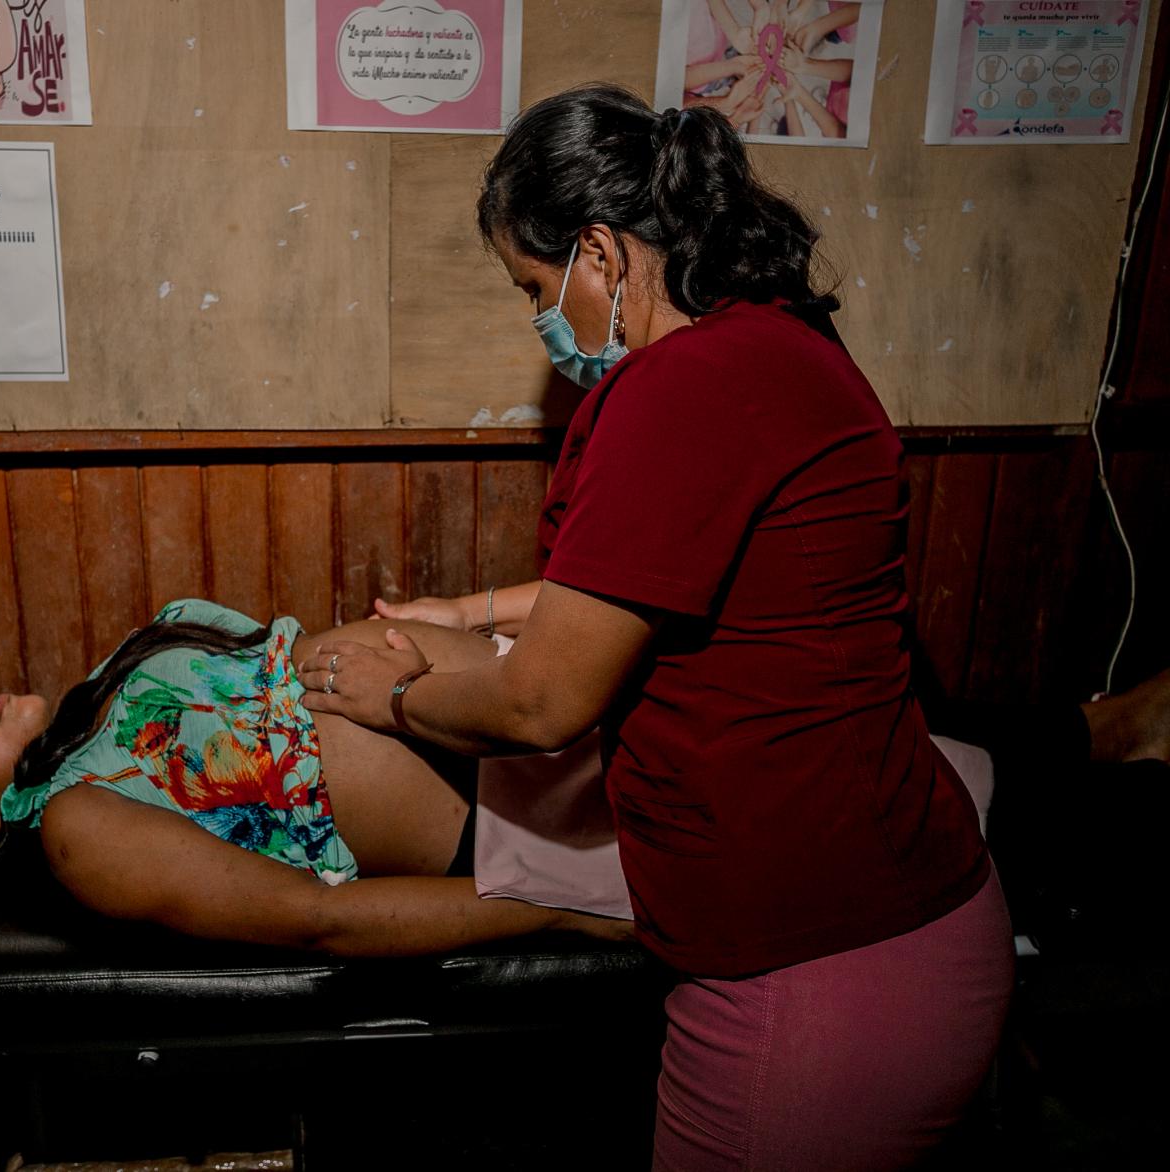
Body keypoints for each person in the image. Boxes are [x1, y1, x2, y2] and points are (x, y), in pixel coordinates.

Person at [299, 85, 1015, 1170]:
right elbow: (679, 574)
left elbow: (541, 703)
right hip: (893, 921)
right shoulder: (776, 345)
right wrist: (465, 613)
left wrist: (393, 696)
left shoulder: (676, 387)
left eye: (533, 287)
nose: (539, 322)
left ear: (599, 253)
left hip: (819, 974)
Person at [0, 598, 630, 957]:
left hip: (533, 699)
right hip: (520, 813)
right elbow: (319, 919)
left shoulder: (97, 693)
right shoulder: (76, 827)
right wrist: (557, 910)